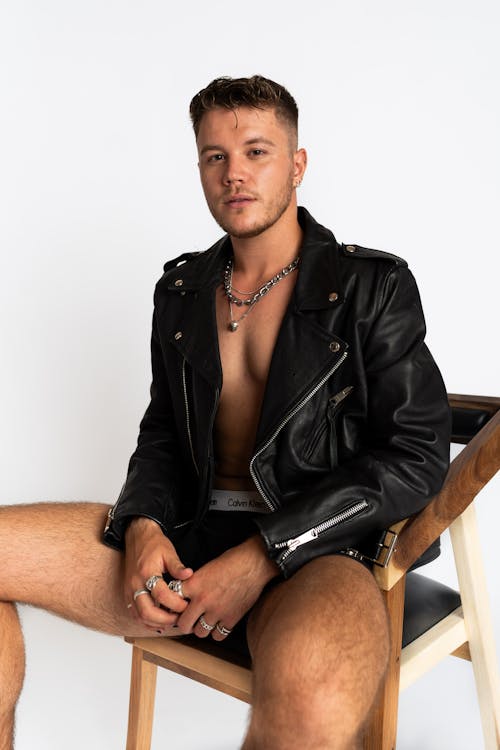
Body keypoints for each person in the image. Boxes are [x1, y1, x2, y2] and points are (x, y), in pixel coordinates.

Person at [0, 75, 450, 750]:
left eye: (256, 152)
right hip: (185, 541)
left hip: (315, 557)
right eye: (215, 157)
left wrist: (265, 554)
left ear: (297, 164)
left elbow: (415, 456)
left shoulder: (372, 287)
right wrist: (144, 522)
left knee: (313, 702)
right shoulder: (181, 290)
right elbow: (162, 433)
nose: (234, 173)